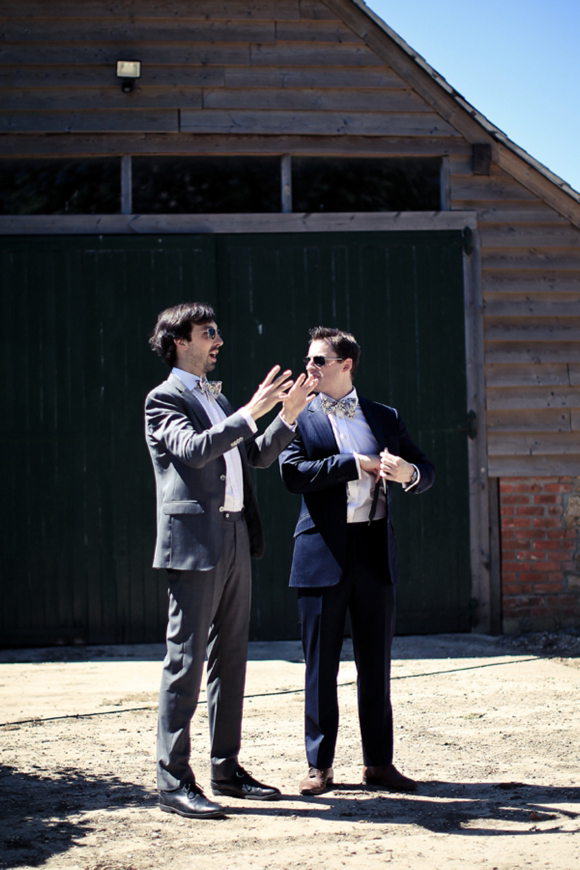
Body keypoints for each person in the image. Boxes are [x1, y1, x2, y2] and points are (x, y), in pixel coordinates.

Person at [145, 302, 315, 819]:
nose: (218, 340)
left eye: (218, 331)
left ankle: (226, 768)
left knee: (231, 659)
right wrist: (250, 412)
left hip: (238, 535)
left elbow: (256, 456)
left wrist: (287, 414)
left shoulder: (215, 399)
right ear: (179, 341)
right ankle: (173, 779)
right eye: (208, 332)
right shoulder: (163, 399)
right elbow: (195, 451)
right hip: (195, 544)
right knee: (186, 661)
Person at [279, 326, 434, 796]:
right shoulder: (299, 416)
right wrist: (354, 463)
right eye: (308, 360)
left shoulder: (384, 416)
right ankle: (319, 766)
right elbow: (292, 474)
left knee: (376, 663)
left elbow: (425, 470)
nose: (309, 368)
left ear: (346, 365)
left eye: (318, 361)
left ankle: (379, 764)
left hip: (373, 549)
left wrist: (408, 474)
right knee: (320, 665)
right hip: (321, 550)